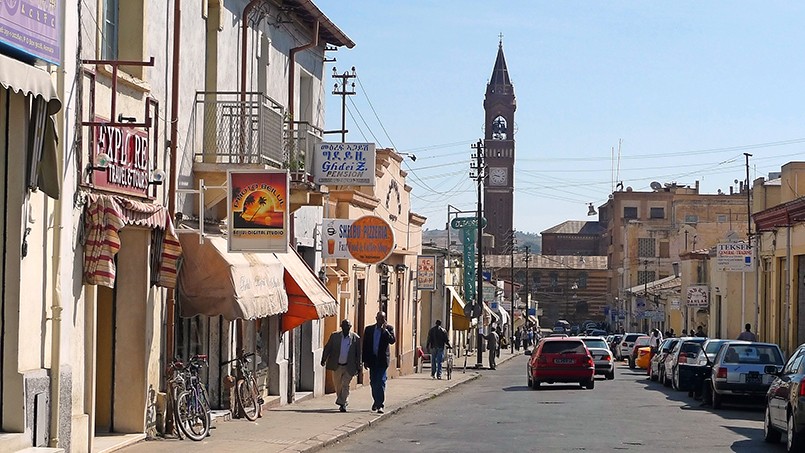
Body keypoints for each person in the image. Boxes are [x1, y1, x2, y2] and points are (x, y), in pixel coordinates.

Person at [321, 319, 361, 412]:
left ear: (350, 327)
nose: (346, 328)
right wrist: (323, 359)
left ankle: (343, 403)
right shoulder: (334, 336)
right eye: (344, 326)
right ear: (341, 327)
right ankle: (343, 401)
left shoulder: (355, 338)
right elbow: (328, 347)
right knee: (338, 385)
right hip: (337, 365)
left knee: (345, 385)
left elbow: (358, 353)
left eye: (347, 326)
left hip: (349, 366)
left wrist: (359, 366)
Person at [362, 311, 396, 414]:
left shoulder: (389, 329)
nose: (381, 320)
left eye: (383, 318)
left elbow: (392, 340)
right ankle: (376, 401)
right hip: (372, 360)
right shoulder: (369, 330)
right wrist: (364, 360)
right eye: (379, 318)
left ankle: (380, 404)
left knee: (381, 381)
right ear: (376, 318)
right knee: (373, 382)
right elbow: (365, 346)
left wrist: (385, 331)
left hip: (382, 360)